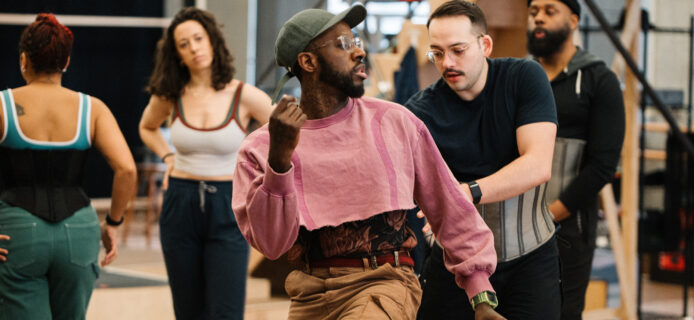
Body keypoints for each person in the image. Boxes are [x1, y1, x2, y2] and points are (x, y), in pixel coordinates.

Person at [232, 4, 503, 320]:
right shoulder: (260, 147)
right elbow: (272, 244)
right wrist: (279, 161)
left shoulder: (395, 122)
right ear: (308, 61)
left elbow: (449, 207)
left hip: (384, 283)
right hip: (309, 295)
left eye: (356, 40)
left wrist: (481, 297)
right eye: (344, 44)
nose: (359, 51)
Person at [404, 1, 560, 319]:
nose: (447, 62)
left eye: (458, 50)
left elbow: (538, 165)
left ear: (484, 44)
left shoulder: (524, 78)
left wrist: (466, 192)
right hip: (454, 265)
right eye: (437, 52)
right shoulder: (421, 111)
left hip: (529, 258)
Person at [138, 7, 273, 319]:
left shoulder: (243, 94)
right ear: (177, 54)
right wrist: (169, 157)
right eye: (184, 44)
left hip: (229, 204)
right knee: (188, 311)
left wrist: (260, 172)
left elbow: (285, 132)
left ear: (212, 40)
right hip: (180, 203)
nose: (194, 48)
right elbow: (146, 127)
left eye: (198, 38)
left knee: (225, 311)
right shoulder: (171, 95)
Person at [0, 13, 137, 319]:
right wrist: (113, 224)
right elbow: (127, 169)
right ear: (67, 62)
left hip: (18, 234)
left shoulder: (2, 105)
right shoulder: (93, 108)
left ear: (24, 60)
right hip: (79, 232)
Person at [527, 1, 625, 319]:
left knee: (562, 312)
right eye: (533, 12)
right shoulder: (521, 76)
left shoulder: (599, 80)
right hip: (517, 222)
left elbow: (602, 166)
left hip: (569, 226)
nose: (538, 17)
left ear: (572, 20)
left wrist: (550, 216)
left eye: (549, 10)